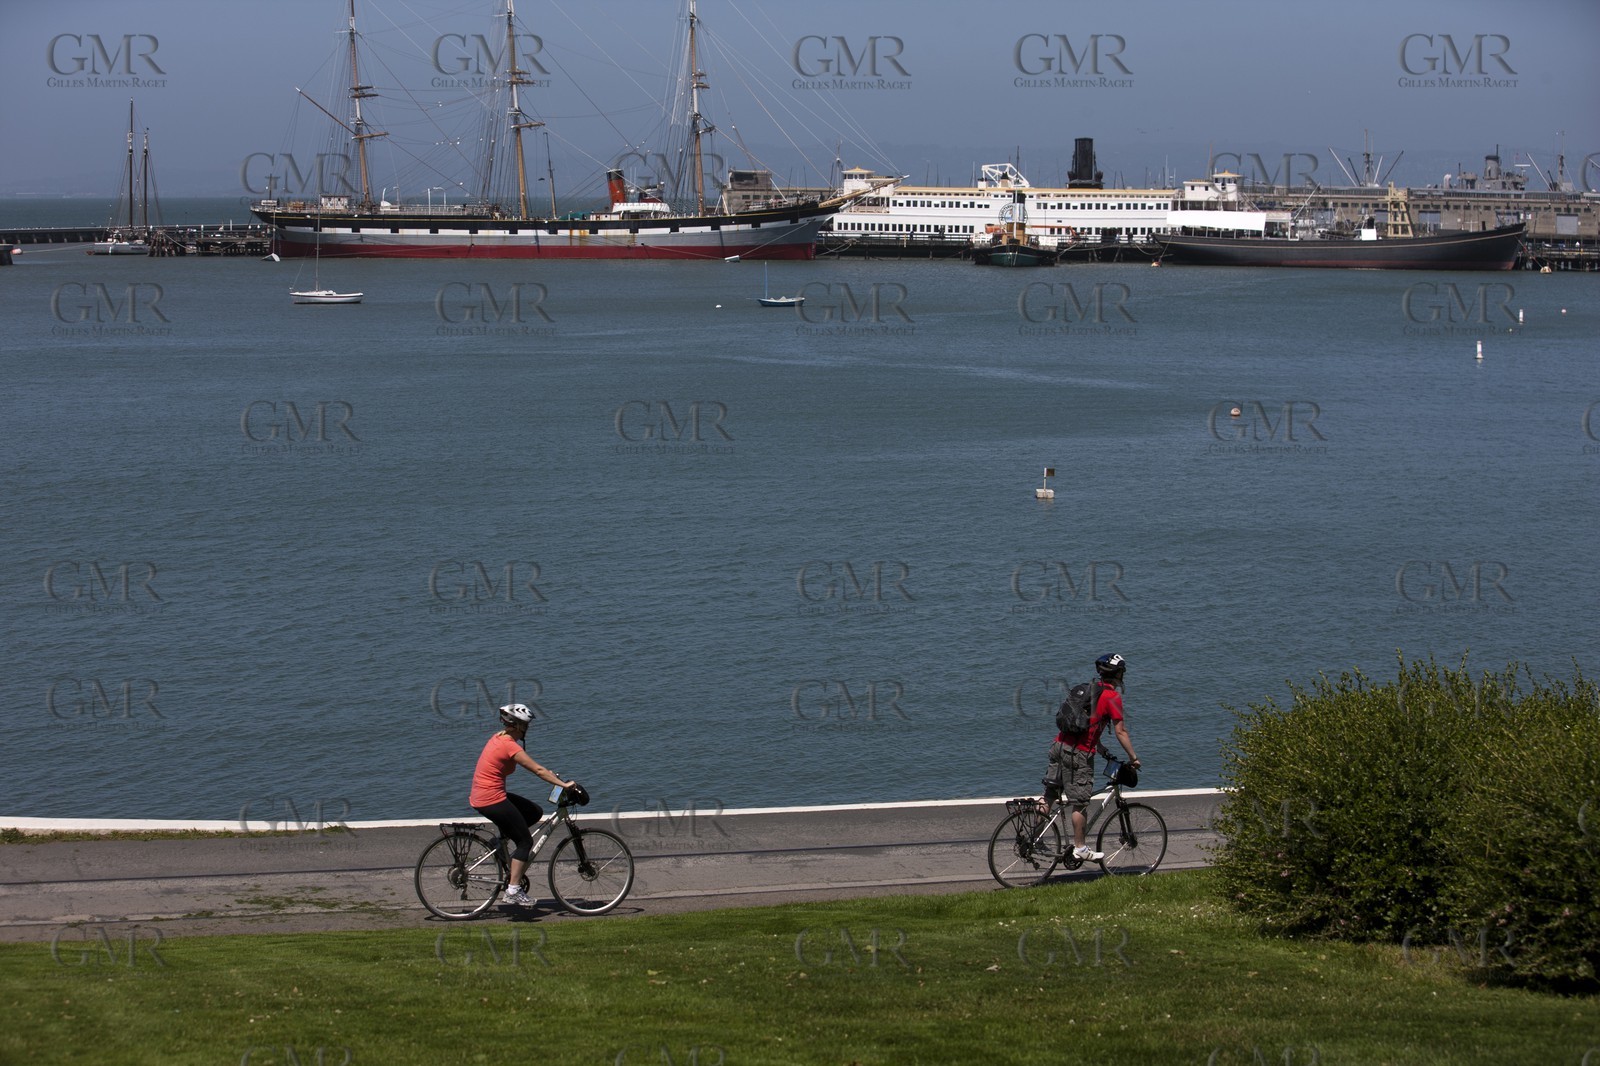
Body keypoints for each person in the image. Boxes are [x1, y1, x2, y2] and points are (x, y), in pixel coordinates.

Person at [470, 703, 574, 907]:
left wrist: (550, 775)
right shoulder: (509, 745)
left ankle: (500, 844)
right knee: (525, 842)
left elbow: (539, 769)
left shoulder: (499, 737)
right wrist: (564, 785)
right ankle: (513, 890)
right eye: (526, 725)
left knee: (533, 812)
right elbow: (537, 770)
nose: (528, 728)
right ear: (518, 725)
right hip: (490, 798)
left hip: (487, 794)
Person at [1040, 653, 1141, 861]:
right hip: (1078, 755)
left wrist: (1101, 748)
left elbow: (1086, 724)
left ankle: (1034, 836)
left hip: (1058, 745)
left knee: (1050, 794)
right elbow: (1121, 731)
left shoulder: (1088, 690)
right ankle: (1080, 848)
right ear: (1118, 674)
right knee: (1080, 802)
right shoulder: (1112, 697)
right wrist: (1134, 758)